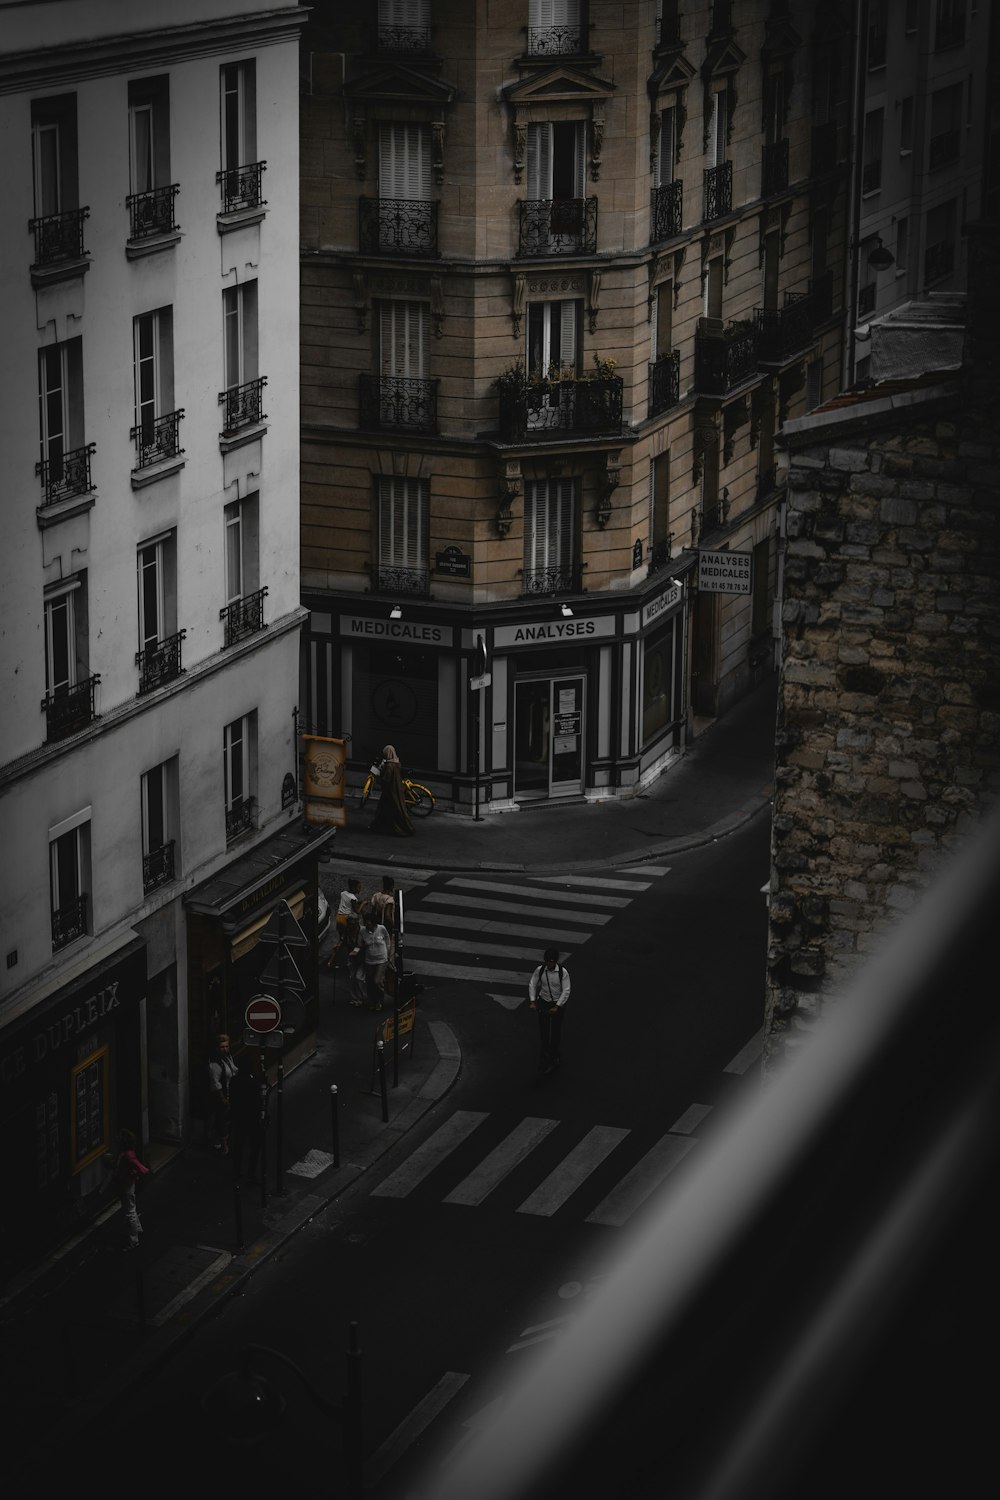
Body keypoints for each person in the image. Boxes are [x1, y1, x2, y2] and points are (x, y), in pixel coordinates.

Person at [528, 947, 572, 1074]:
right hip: (543, 1002)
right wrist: (532, 1001)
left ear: (556, 961)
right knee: (544, 1030)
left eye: (552, 961)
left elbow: (566, 991)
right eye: (547, 961)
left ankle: (553, 1053)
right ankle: (545, 1054)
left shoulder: (562, 973)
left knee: (555, 1031)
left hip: (557, 1004)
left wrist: (557, 1006)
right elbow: (532, 984)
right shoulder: (540, 970)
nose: (549, 964)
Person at [108, 1128, 149, 1251]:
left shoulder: (128, 1155)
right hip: (125, 1183)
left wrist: (134, 1175)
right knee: (131, 1208)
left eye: (119, 1136)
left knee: (129, 1211)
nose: (116, 1138)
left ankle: (133, 1240)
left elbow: (143, 1169)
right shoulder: (125, 1152)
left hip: (127, 1185)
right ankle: (137, 1229)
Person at [230, 1055, 268, 1185]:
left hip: (239, 1118)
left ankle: (236, 1172)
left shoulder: (234, 1081)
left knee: (239, 1145)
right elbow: (259, 1100)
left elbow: (233, 1100)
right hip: (252, 1119)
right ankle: (251, 1174)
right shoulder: (254, 1083)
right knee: (255, 1146)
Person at [370, 744, 414, 837]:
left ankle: (387, 827)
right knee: (397, 808)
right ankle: (405, 827)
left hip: (390, 791)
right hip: (397, 789)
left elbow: (386, 780)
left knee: (387, 809)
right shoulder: (397, 762)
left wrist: (377, 774)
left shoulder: (389, 765)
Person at [354, 907, 391, 1011]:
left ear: (374, 923)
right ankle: (372, 1001)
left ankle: (380, 1001)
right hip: (369, 960)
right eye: (365, 923)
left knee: (377, 981)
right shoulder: (363, 931)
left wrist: (388, 953)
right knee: (370, 983)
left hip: (381, 960)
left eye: (368, 923)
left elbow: (387, 940)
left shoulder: (381, 929)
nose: (367, 925)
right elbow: (359, 944)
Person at [207, 1033, 238, 1154]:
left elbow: (234, 1070)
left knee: (227, 1120)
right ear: (217, 1048)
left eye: (226, 1046)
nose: (225, 1049)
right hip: (224, 1096)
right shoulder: (215, 1064)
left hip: (232, 1093)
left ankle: (222, 1142)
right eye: (222, 1047)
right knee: (222, 1121)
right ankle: (223, 1145)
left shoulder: (227, 1057)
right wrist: (224, 1099)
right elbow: (216, 1084)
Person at [328, 877, 362, 968]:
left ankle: (332, 960)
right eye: (358, 887)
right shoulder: (353, 898)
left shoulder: (343, 893)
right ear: (353, 888)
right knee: (351, 941)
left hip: (339, 918)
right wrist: (363, 904)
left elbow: (348, 904)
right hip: (347, 920)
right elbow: (357, 911)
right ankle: (348, 960)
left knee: (342, 939)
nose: (360, 889)